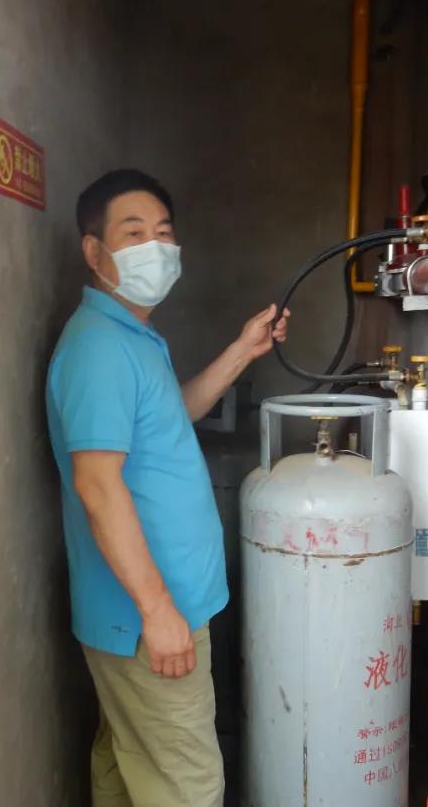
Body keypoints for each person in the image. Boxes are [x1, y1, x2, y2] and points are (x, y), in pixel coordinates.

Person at [46, 169, 289, 807]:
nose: (153, 247)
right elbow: (98, 487)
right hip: (144, 617)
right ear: (94, 251)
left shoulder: (133, 338)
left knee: (127, 764)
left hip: (160, 609)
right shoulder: (99, 350)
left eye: (163, 232)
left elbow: (170, 415)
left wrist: (242, 351)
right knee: (187, 785)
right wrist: (157, 612)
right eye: (133, 234)